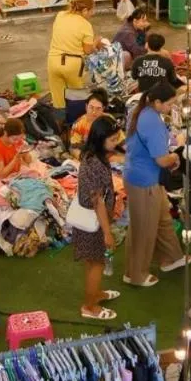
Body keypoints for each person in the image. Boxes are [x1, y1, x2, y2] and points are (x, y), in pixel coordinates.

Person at [122, 83, 188, 287]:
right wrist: (177, 157)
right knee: (143, 229)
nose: (171, 108)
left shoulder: (140, 110)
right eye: (169, 104)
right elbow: (161, 159)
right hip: (144, 181)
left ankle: (172, 257)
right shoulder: (152, 121)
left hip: (144, 176)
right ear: (157, 102)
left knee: (162, 218)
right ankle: (135, 274)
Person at [74, 116, 122, 320]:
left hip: (92, 219)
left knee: (93, 262)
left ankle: (96, 294)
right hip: (93, 222)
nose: (116, 143)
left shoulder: (93, 156)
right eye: (112, 140)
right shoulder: (94, 163)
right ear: (100, 138)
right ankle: (90, 307)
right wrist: (107, 232)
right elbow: (97, 201)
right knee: (97, 263)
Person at [48, 0, 97, 116]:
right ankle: (75, 128)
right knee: (77, 99)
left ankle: (59, 127)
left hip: (53, 61)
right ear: (85, 10)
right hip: (73, 65)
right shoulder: (86, 25)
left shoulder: (60, 15)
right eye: (92, 11)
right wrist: (96, 42)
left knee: (58, 101)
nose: (93, 13)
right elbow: (87, 51)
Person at [69, 89, 110, 158]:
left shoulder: (109, 120)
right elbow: (74, 148)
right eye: (91, 107)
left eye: (98, 108)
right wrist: (86, 159)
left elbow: (121, 141)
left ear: (103, 108)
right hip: (88, 157)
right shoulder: (78, 125)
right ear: (86, 107)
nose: (94, 112)